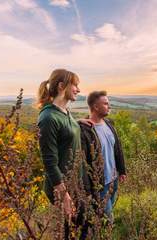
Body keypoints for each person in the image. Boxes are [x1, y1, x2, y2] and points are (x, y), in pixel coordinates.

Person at [37, 69, 81, 238]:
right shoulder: (48, 118)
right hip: (62, 188)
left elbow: (67, 132)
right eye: (75, 85)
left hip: (74, 183)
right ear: (62, 86)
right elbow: (49, 162)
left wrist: (80, 124)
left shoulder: (64, 113)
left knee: (77, 230)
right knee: (68, 232)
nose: (78, 89)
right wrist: (64, 196)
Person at [79, 90, 126, 223]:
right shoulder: (85, 130)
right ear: (95, 107)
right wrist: (87, 190)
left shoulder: (109, 124)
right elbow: (83, 162)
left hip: (113, 179)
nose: (109, 106)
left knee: (103, 217)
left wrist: (122, 170)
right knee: (108, 219)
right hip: (99, 184)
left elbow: (117, 148)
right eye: (105, 104)